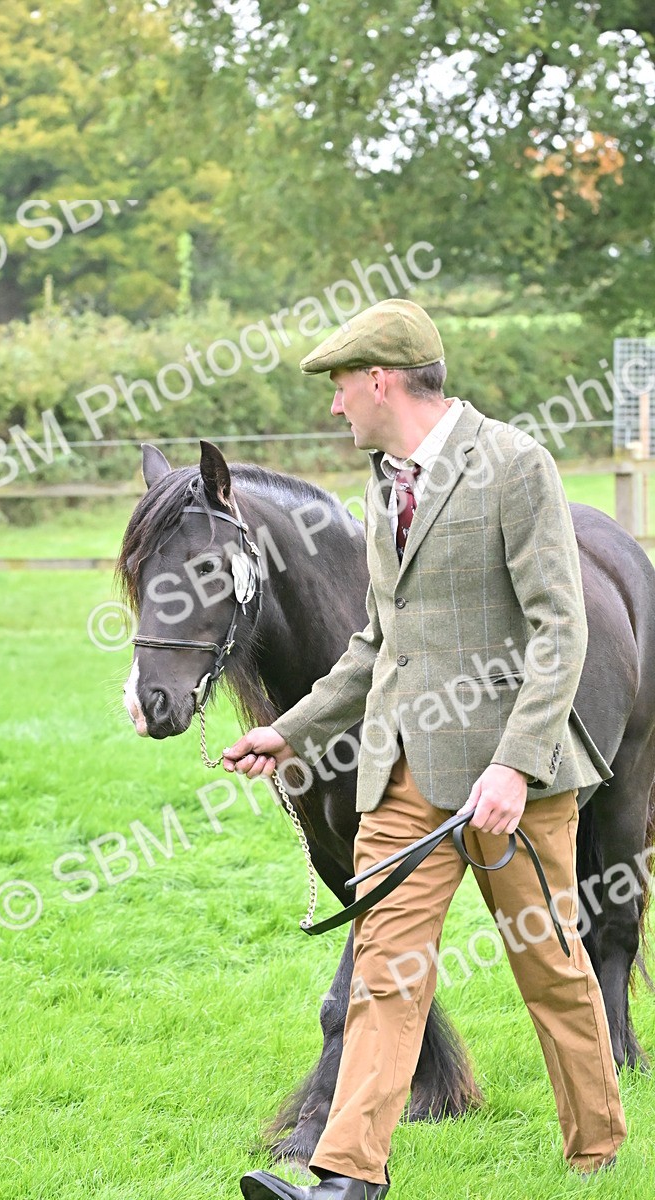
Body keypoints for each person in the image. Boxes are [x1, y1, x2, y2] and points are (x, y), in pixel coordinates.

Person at [222, 299, 626, 1200]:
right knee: (386, 973)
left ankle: (597, 1147)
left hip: (507, 781)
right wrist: (285, 731)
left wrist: (516, 768)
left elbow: (561, 633)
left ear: (381, 380)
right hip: (398, 772)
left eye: (340, 387)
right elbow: (376, 643)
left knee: (552, 968)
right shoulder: (383, 478)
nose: (334, 408)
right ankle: (346, 1177)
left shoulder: (516, 465)